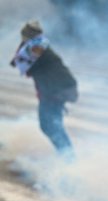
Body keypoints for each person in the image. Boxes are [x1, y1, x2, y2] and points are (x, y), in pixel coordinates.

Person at [9, 20, 78, 157]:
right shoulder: (39, 45)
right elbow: (19, 61)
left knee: (50, 126)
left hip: (57, 91)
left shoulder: (37, 46)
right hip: (58, 90)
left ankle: (69, 158)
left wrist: (23, 45)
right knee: (51, 125)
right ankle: (67, 156)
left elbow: (18, 62)